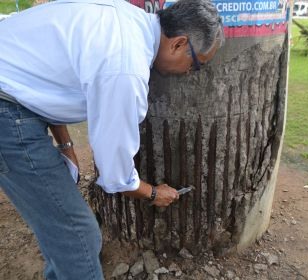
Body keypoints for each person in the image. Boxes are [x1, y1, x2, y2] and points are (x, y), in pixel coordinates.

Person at [0, 0, 224, 278]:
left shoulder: (126, 19)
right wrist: (153, 193)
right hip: (6, 111)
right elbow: (115, 175)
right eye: (195, 65)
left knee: (58, 229)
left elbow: (47, 77)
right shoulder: (126, 68)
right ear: (178, 44)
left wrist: (66, 146)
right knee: (78, 234)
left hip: (12, 96)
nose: (190, 74)